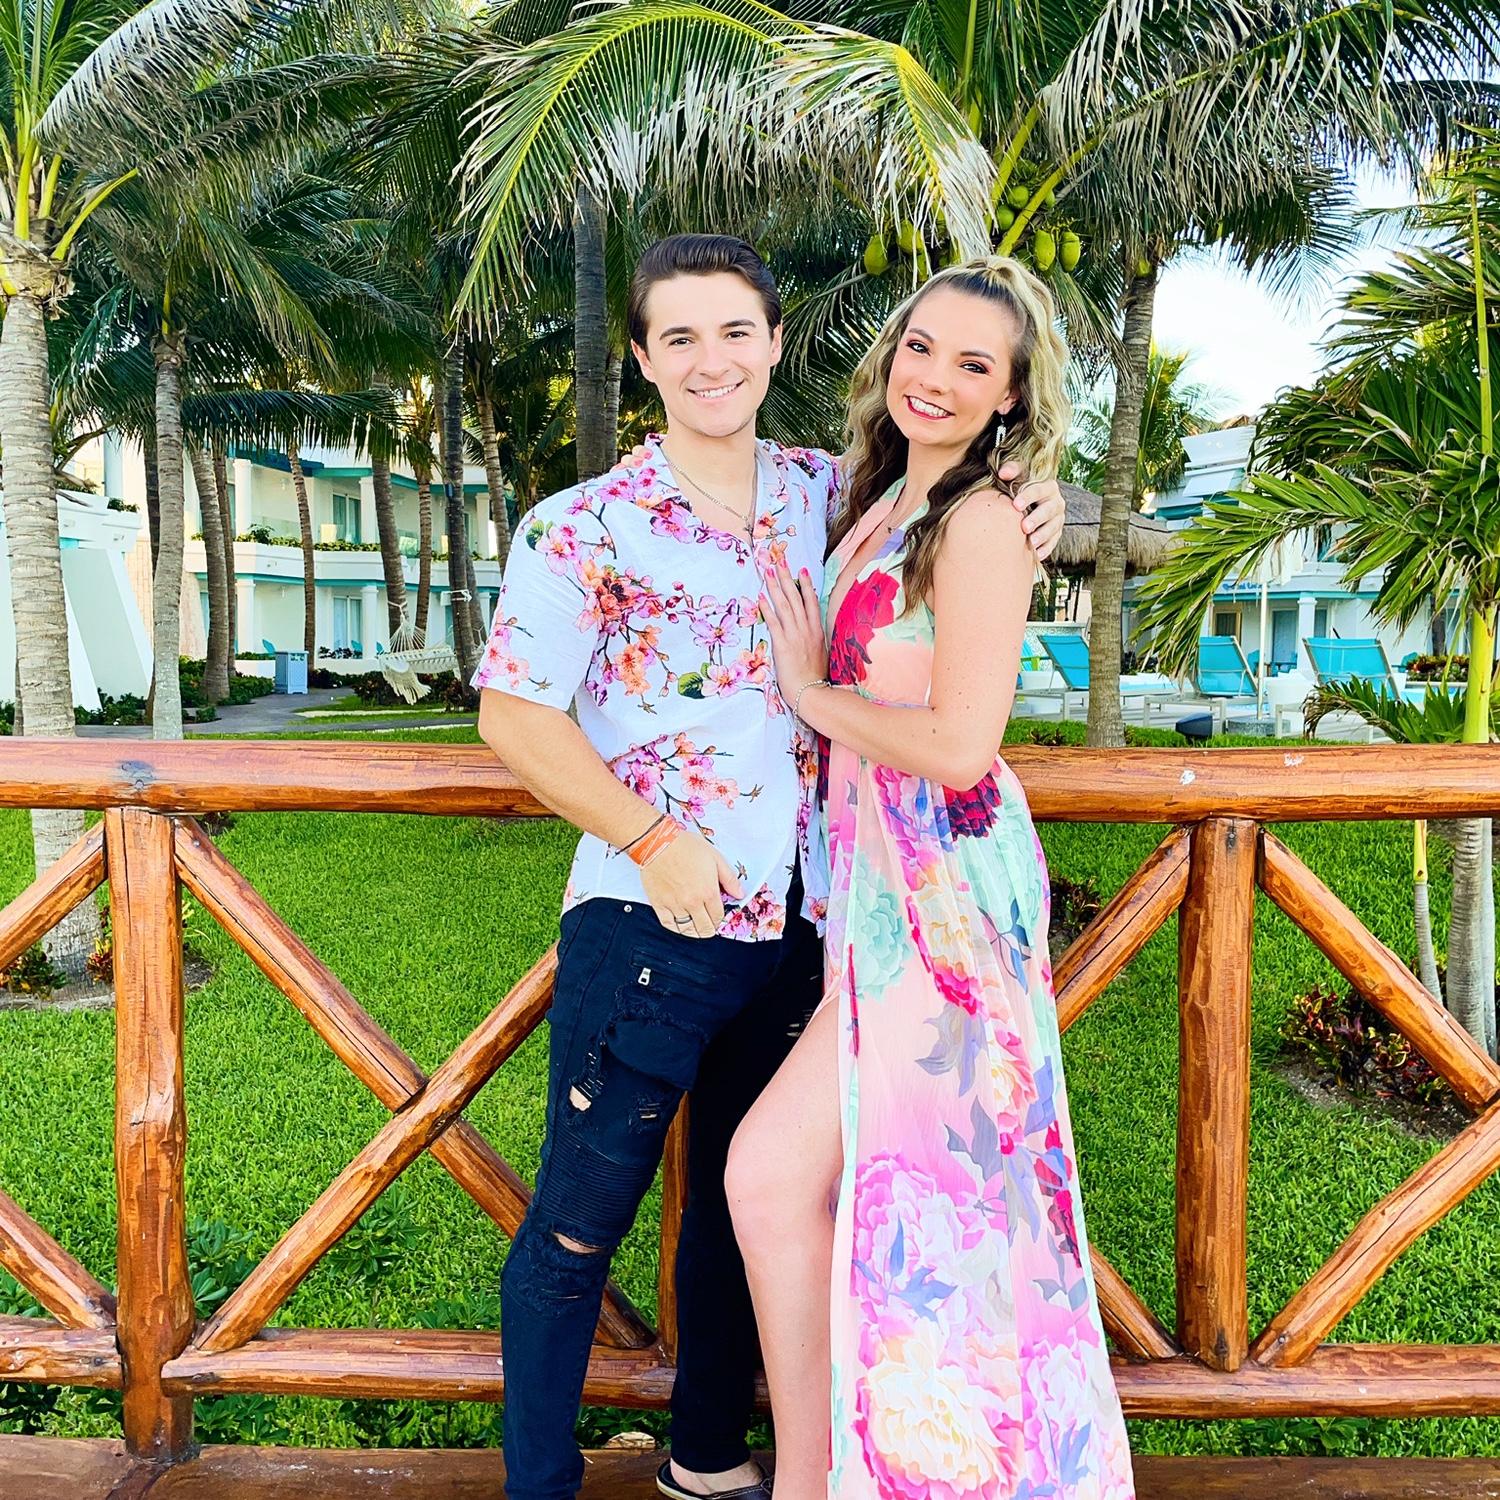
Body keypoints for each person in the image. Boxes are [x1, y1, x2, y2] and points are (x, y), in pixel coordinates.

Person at [472, 234, 1068, 1500]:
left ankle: (707, 1458)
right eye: (679, 337)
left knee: (737, 1207)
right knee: (578, 1225)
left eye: (735, 331)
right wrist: (653, 840)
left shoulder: (827, 493)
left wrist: (1035, 499)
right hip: (653, 922)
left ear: (775, 343)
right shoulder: (580, 527)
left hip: (811, 924)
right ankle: (540, 1487)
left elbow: (959, 508)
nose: (711, 361)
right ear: (643, 359)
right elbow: (513, 716)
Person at [731, 255, 1136, 1500]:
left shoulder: (979, 522)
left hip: (943, 892)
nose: (937, 380)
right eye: (922, 348)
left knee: (897, 1193)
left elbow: (963, 744)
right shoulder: (882, 501)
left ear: (1010, 395)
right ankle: (827, 1476)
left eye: (974, 365)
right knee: (866, 1191)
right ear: (890, 355)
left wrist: (811, 694)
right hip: (878, 887)